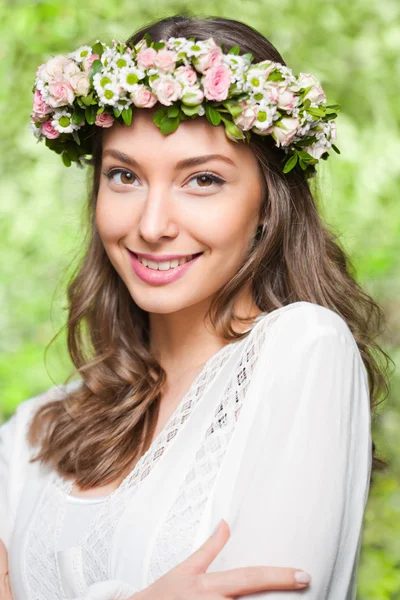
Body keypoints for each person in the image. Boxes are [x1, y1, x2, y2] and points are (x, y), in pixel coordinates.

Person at [0, 13, 391, 600]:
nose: (152, 226)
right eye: (124, 175)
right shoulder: (32, 433)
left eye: (203, 180)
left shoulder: (303, 349)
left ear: (267, 205)